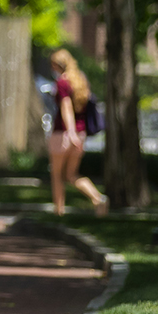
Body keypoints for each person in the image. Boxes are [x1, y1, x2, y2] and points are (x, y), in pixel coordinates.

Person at [47, 48, 107, 216]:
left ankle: (59, 211)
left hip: (64, 134)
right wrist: (76, 134)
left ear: (57, 65)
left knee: (57, 174)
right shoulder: (81, 80)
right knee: (72, 175)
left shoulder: (62, 82)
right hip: (81, 134)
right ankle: (98, 198)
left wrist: (70, 132)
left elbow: (66, 106)